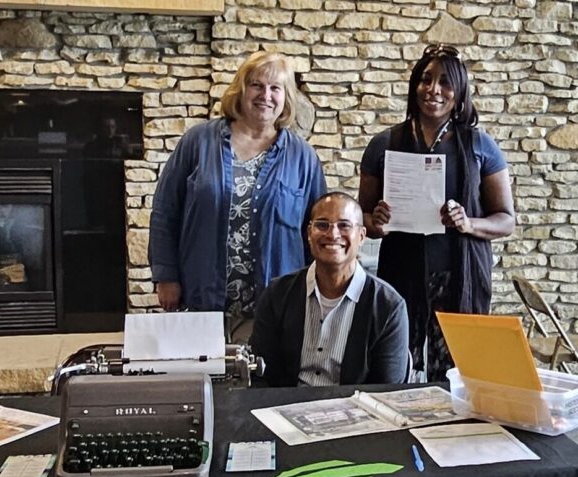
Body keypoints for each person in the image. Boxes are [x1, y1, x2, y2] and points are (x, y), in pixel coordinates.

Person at [358, 44, 515, 382]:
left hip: (459, 276)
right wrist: (376, 223)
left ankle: (452, 432)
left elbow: (506, 220)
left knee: (457, 373)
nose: (434, 90)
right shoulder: (384, 143)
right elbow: (362, 219)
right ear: (415, 85)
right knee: (396, 366)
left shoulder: (479, 145)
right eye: (426, 80)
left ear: (459, 94)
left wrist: (468, 222)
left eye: (445, 83)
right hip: (401, 271)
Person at [148, 51, 327, 340]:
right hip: (201, 300)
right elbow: (165, 212)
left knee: (259, 382)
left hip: (273, 306)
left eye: (275, 88)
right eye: (257, 85)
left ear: (286, 98)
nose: (265, 95)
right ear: (241, 90)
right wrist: (166, 276)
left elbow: (319, 230)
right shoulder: (198, 142)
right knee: (202, 381)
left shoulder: (303, 158)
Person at [249, 193, 409, 387]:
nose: (332, 234)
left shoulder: (389, 306)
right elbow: (260, 374)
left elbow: (386, 391)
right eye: (322, 225)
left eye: (344, 225)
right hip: (283, 409)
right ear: (309, 233)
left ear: (361, 236)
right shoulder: (277, 294)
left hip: (356, 413)